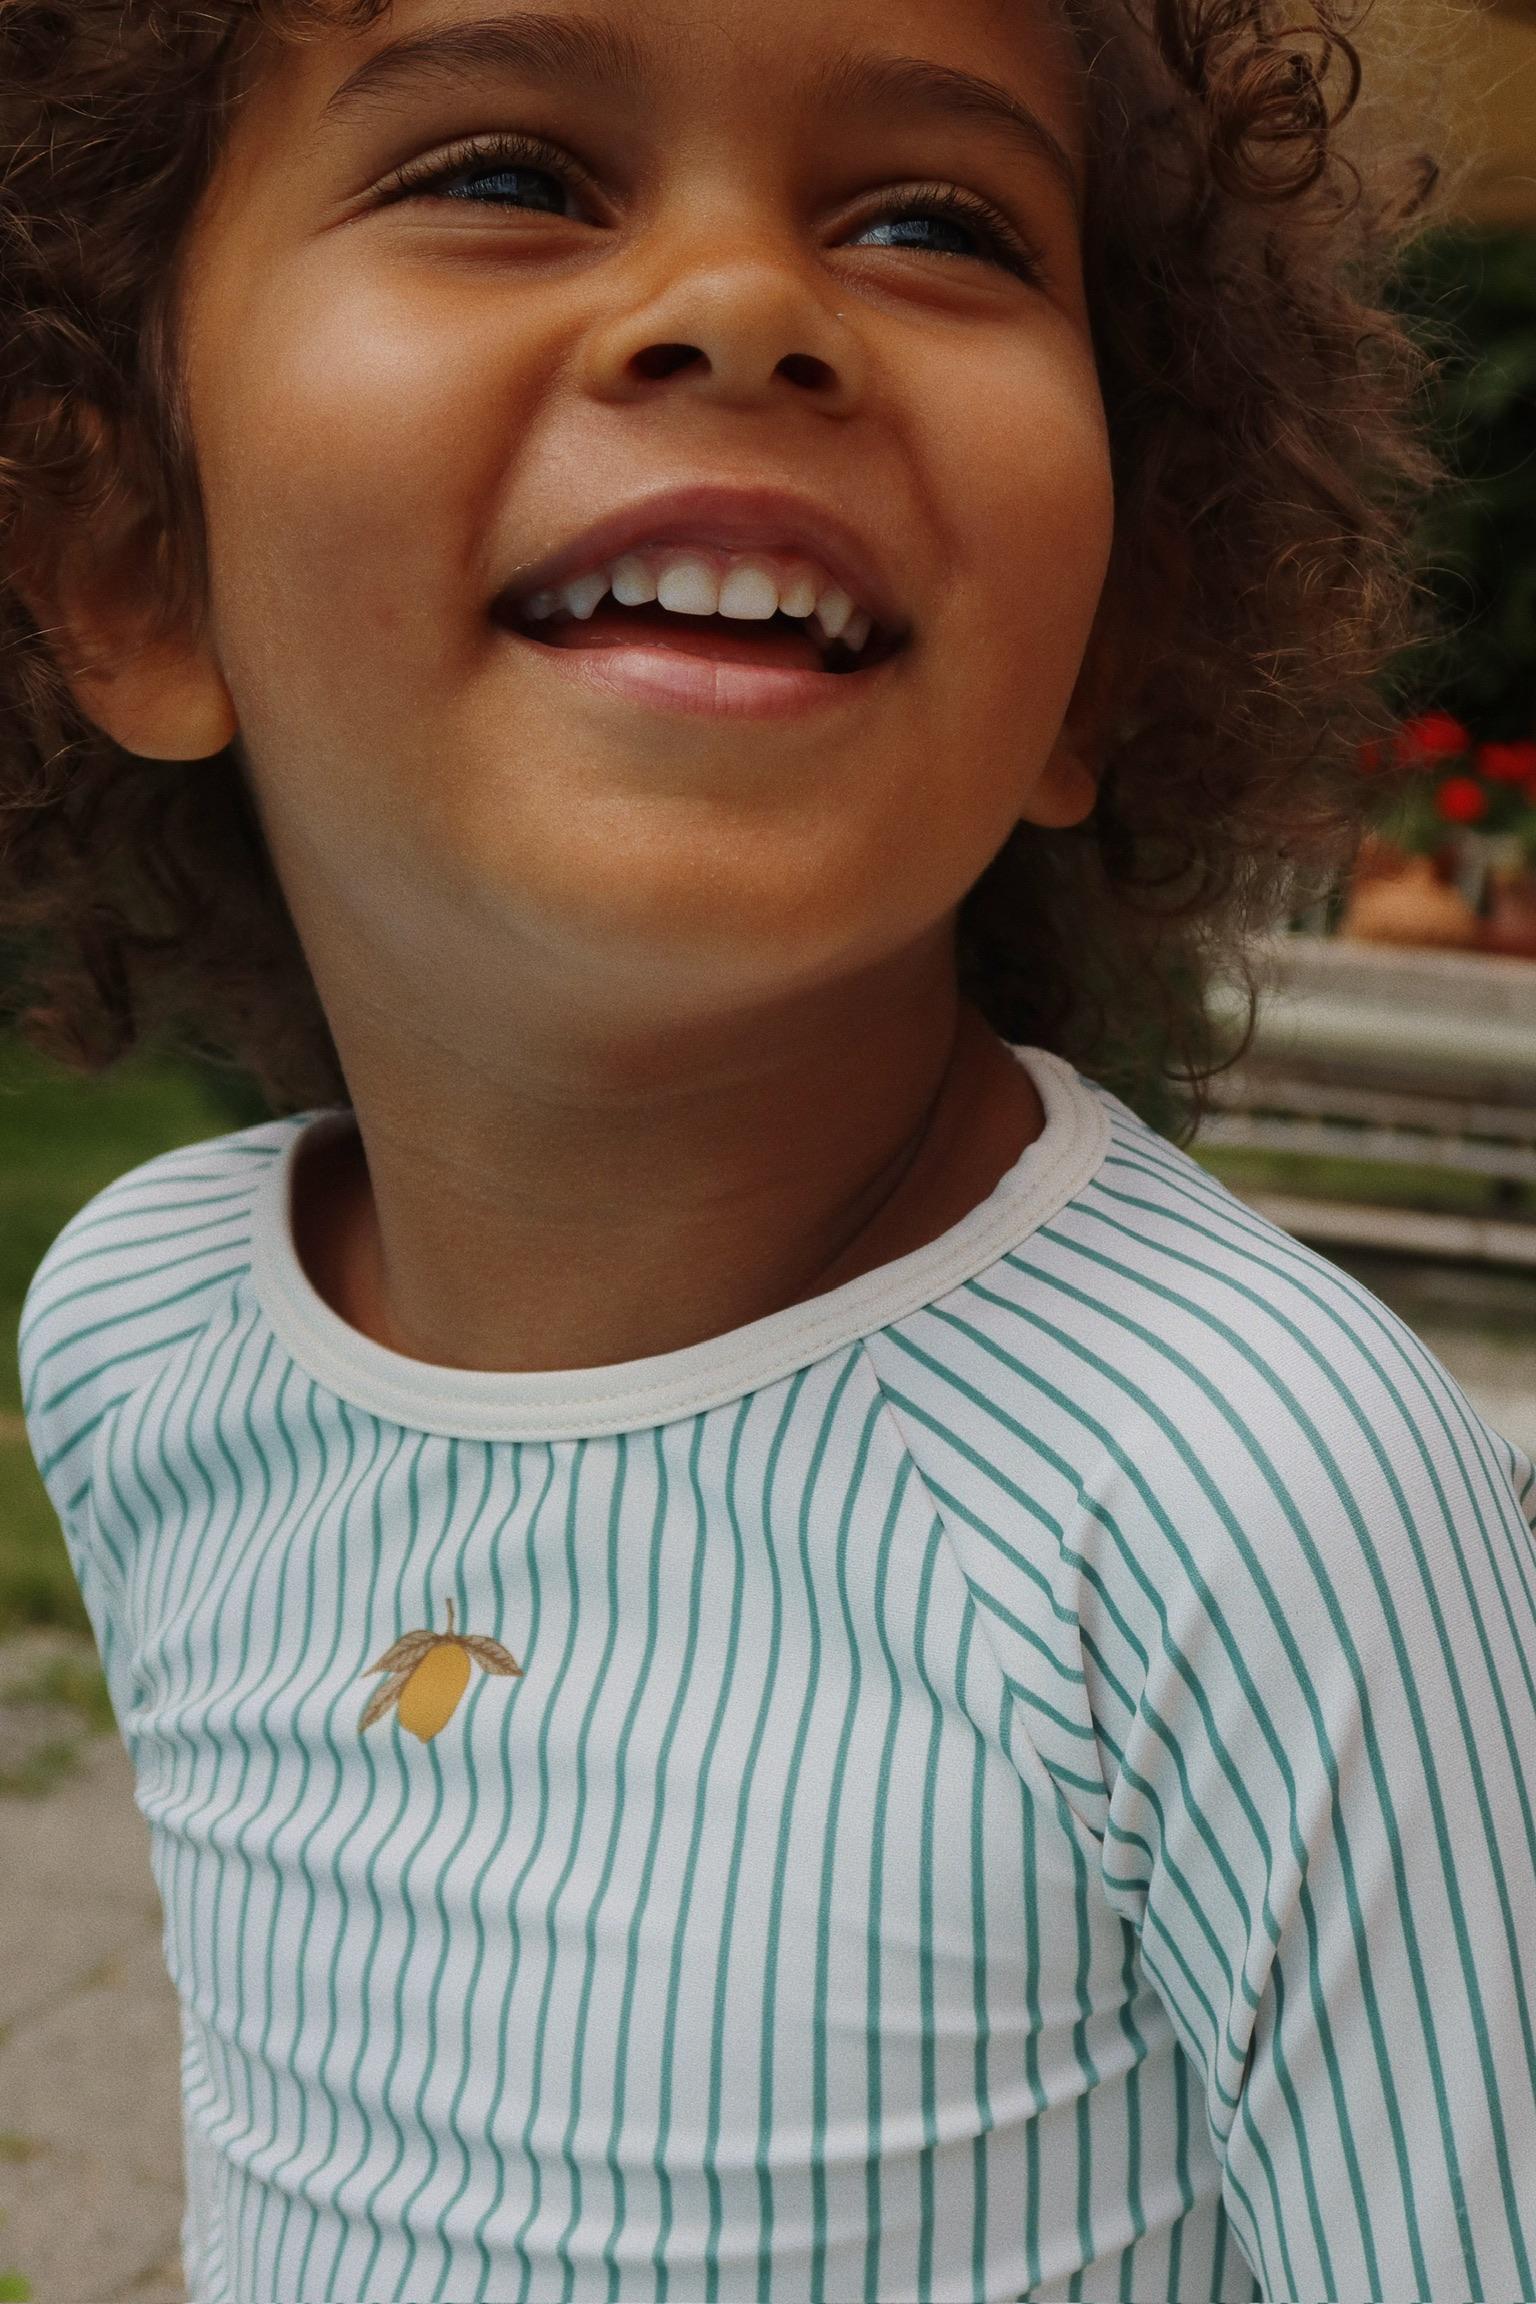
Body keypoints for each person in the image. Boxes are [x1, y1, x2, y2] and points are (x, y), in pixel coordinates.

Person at [4, 0, 1533, 2293]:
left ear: (1104, 641)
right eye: (506, 175)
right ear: (128, 555)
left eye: (936, 221)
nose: (742, 305)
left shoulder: (1240, 1493)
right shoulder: (144, 1341)